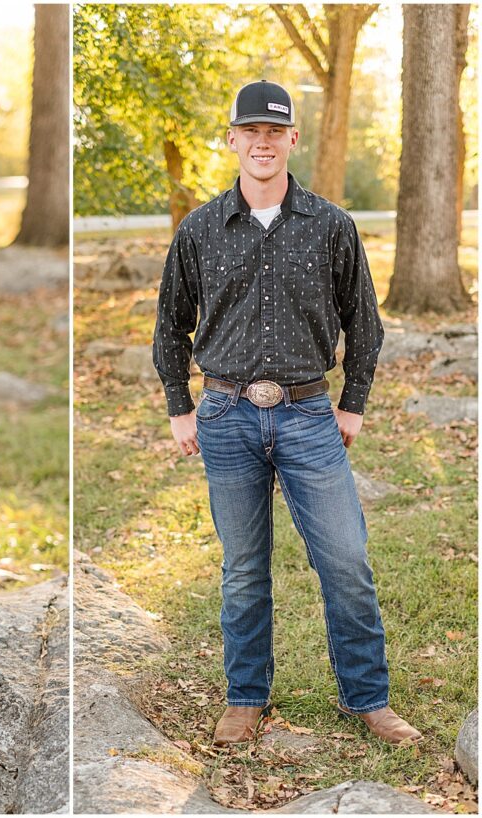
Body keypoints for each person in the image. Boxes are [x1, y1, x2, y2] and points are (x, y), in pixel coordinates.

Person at [152, 81, 420, 746]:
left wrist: (352, 403)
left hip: (308, 416)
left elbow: (365, 322)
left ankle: (368, 699)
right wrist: (179, 407)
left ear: (293, 139)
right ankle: (246, 698)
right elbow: (169, 327)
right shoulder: (200, 230)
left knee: (347, 559)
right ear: (233, 139)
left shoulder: (331, 225)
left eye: (276, 131)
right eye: (251, 131)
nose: (263, 142)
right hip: (225, 416)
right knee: (244, 567)